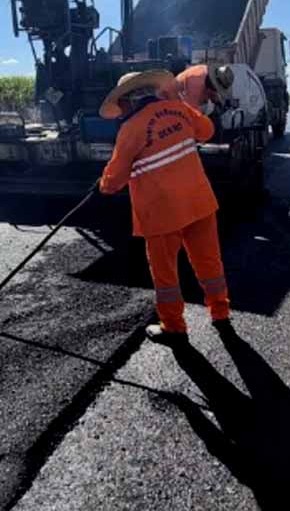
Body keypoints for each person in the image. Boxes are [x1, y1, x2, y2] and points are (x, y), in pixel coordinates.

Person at [98, 70, 231, 344]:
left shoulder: (130, 129)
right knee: (209, 262)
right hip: (199, 202)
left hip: (161, 213)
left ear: (129, 100)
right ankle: (220, 313)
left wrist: (103, 182)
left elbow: (113, 182)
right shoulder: (179, 110)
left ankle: (174, 327)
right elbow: (206, 131)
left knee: (166, 274)